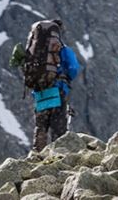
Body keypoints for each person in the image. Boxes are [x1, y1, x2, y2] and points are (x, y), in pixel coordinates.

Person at [31, 19, 81, 152]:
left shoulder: (34, 50)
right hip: (57, 90)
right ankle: (58, 155)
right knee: (58, 126)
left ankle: (37, 154)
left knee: (41, 127)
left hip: (40, 92)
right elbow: (73, 68)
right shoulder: (62, 49)